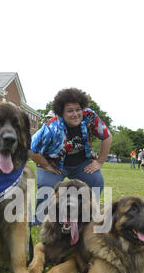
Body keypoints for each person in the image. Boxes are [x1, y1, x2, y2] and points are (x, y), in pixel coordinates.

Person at [29, 88, 112, 224]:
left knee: (96, 180)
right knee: (47, 186)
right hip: (55, 165)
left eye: (78, 109)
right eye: (69, 111)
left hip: (80, 163)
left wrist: (99, 162)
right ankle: (40, 218)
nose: (75, 114)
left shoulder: (89, 116)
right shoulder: (51, 127)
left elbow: (107, 137)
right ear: (61, 113)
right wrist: (46, 166)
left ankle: (88, 215)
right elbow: (31, 149)